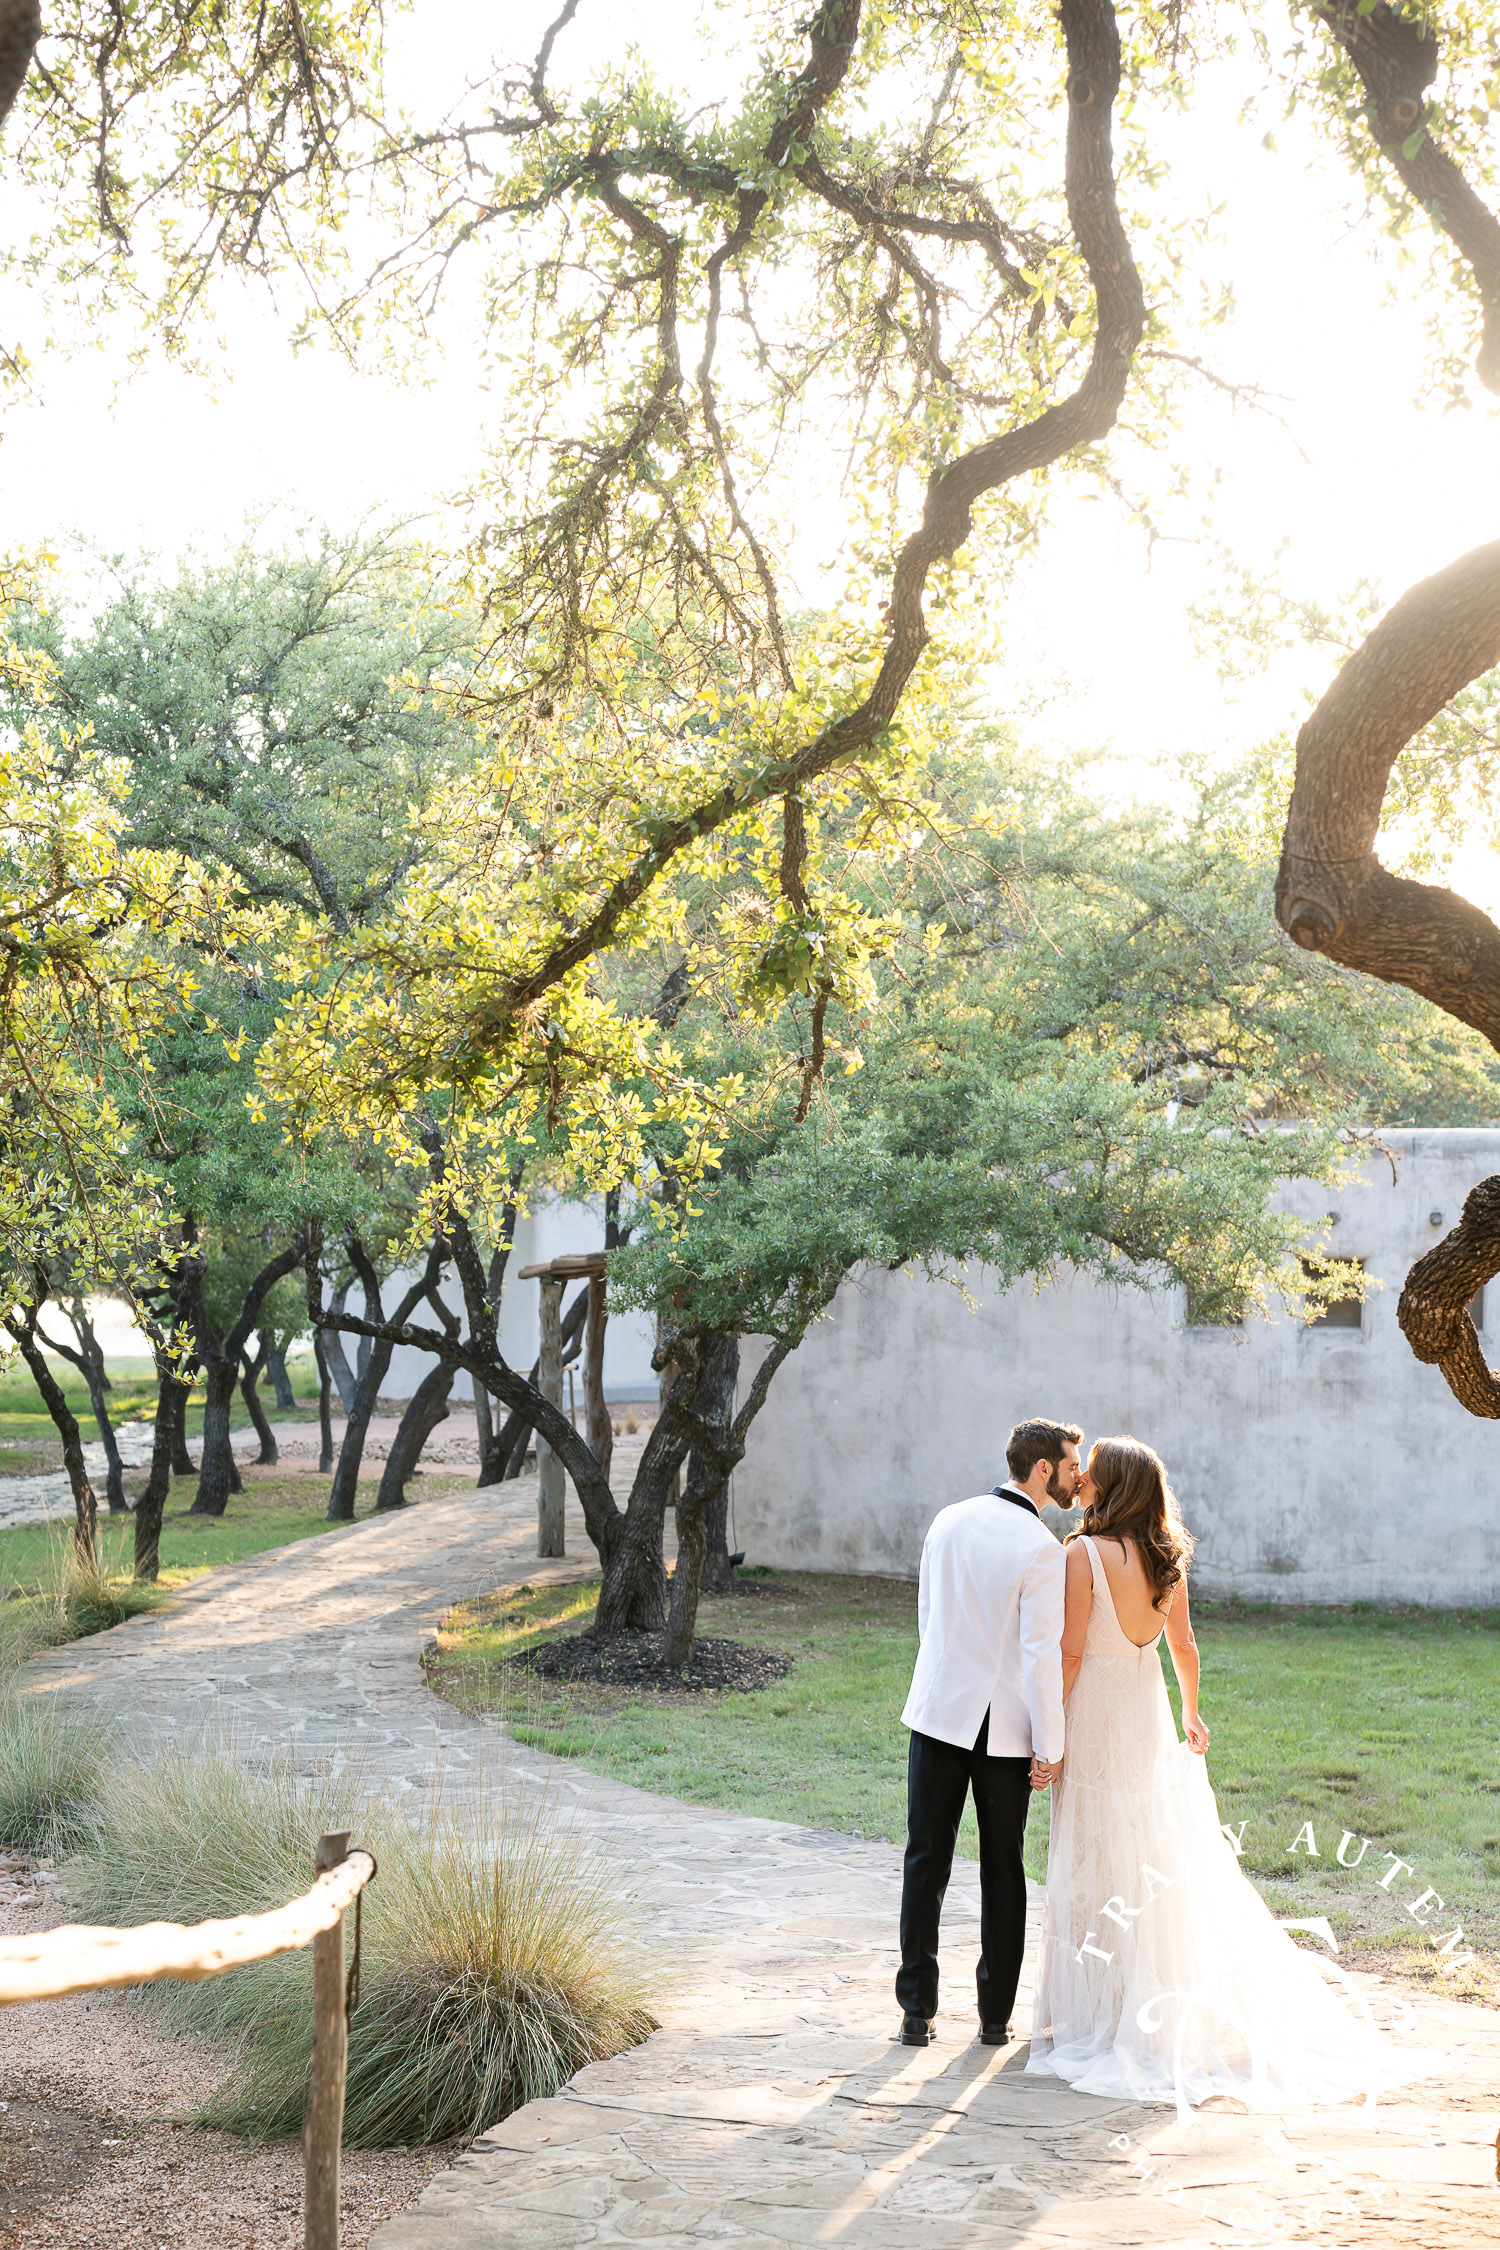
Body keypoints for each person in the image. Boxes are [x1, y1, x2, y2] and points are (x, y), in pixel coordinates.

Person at [1026, 1434, 1424, 2111]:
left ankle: (1098, 2012)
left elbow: (1067, 1653)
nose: (1079, 1477)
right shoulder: (1164, 1559)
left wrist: (1050, 1738)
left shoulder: (1082, 1554)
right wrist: (1191, 1714)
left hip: (1095, 1717)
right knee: (1142, 1850)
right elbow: (1183, 1644)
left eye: (1090, 1470)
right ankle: (1131, 2002)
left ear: (1112, 1485)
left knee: (1091, 1854)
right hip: (1145, 1715)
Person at [895, 1416, 1082, 2048]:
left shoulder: (946, 1518)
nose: (1074, 1475)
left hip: (937, 1716)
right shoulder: (1042, 1550)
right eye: (1070, 1463)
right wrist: (1051, 1747)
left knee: (925, 1861)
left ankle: (915, 2012)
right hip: (1002, 1733)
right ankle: (994, 2020)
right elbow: (1041, 1655)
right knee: (1003, 1870)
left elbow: (930, 1620)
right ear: (1043, 1469)